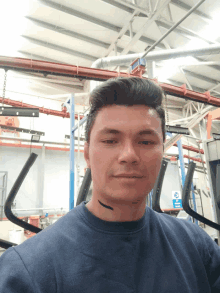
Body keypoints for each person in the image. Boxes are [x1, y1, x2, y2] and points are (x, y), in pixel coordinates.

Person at [0, 77, 220, 293]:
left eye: (145, 141)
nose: (128, 155)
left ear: (162, 151)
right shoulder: (27, 271)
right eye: (110, 141)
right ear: (87, 154)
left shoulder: (196, 247)